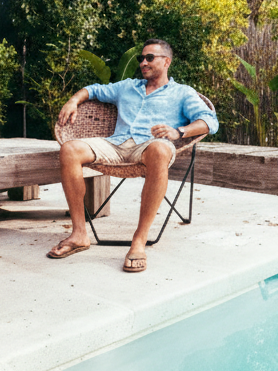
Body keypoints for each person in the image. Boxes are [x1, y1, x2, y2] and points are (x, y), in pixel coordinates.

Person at [49, 38, 218, 272]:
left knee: (159, 148)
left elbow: (210, 121)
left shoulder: (182, 93)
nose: (143, 62)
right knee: (70, 149)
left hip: (150, 147)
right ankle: (79, 234)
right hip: (117, 145)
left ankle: (139, 240)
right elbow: (95, 90)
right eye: (141, 58)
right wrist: (73, 100)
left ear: (167, 61)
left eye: (150, 58)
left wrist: (180, 131)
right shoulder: (127, 86)